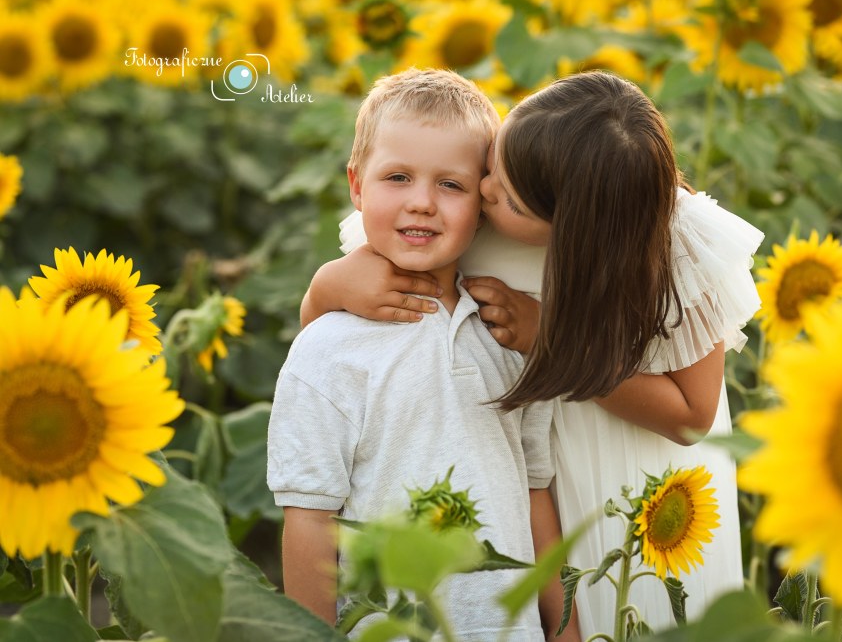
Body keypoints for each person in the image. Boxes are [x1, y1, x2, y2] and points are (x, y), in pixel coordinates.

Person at [301, 71, 764, 636]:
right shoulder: (468, 198)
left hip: (633, 482)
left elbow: (693, 417)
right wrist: (325, 287)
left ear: (569, 229)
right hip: (513, 468)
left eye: (508, 198)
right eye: (493, 165)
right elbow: (339, 342)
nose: (486, 190)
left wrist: (550, 342)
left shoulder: (680, 241)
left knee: (626, 608)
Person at [268, 68, 579, 641]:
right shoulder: (327, 349)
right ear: (357, 186)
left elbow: (535, 497)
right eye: (398, 177)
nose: (422, 203)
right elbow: (310, 519)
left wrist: (565, 630)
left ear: (483, 204)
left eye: (451, 185)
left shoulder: (506, 334)